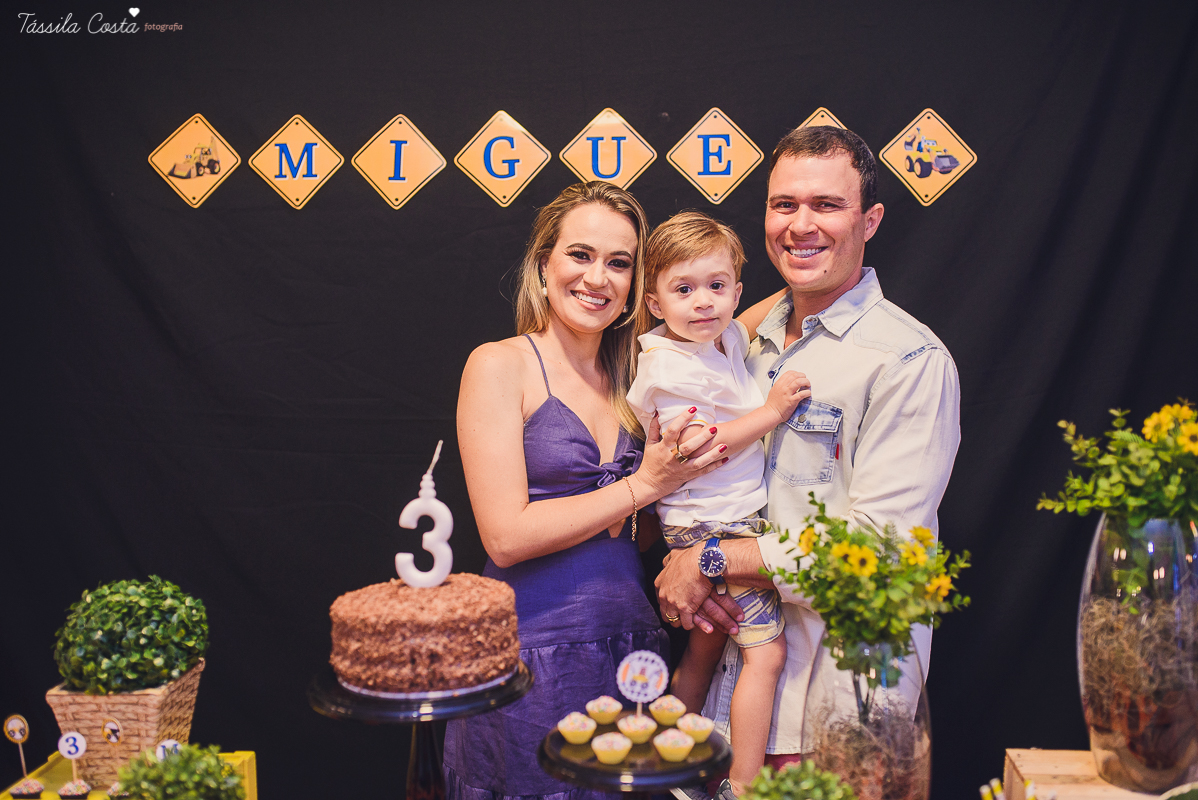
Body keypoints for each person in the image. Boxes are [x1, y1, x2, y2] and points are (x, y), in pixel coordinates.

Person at [654, 126, 962, 774]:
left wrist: (708, 559)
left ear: (870, 220)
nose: (801, 225)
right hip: (730, 694)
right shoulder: (736, 342)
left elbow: (879, 553)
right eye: (784, 205)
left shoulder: (908, 360)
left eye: (827, 205)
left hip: (836, 708)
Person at [444, 182, 730, 800]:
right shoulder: (500, 364)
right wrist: (644, 483)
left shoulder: (639, 374)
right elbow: (505, 535)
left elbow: (641, 533)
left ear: (637, 285)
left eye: (619, 263)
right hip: (527, 658)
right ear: (543, 263)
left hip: (631, 650)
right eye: (580, 254)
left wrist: (806, 284)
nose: (597, 278)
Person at [626, 211, 810, 799]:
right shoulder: (669, 367)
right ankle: (742, 786)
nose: (703, 302)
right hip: (713, 525)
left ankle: (669, 768)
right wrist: (773, 411)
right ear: (653, 303)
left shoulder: (719, 335)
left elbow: (742, 318)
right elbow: (702, 447)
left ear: (735, 289)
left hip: (716, 520)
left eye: (717, 286)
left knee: (704, 647)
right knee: (767, 655)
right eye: (683, 290)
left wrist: (800, 283)